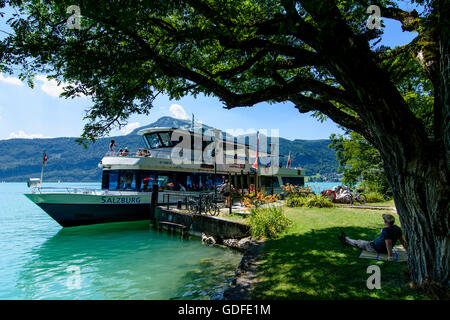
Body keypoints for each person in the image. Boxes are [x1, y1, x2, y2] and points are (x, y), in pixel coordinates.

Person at [338, 214, 407, 261]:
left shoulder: (386, 230)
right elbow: (402, 240)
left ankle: (346, 239)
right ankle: (346, 239)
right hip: (377, 246)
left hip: (374, 247)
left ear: (385, 221)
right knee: (360, 242)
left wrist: (390, 256)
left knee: (358, 242)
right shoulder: (397, 228)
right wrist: (407, 249)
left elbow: (389, 243)